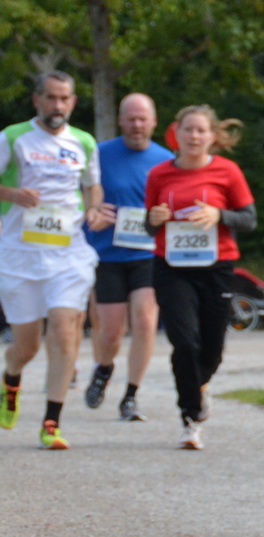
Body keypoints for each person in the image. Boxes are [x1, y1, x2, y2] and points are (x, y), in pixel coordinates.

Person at [0, 71, 111, 449]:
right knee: (26, 346)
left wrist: (95, 210)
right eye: (50, 98)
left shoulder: (83, 141)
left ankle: (51, 423)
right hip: (19, 255)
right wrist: (12, 194)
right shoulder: (13, 137)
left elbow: (93, 187)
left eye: (64, 99)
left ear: (73, 102)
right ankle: (11, 378)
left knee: (65, 333)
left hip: (68, 254)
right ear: (37, 100)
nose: (57, 106)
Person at [145, 105, 255, 450]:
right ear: (175, 133)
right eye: (188, 130)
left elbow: (249, 219)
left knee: (212, 349)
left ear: (212, 136)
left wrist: (218, 214)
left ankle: (198, 386)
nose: (194, 136)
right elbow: (148, 226)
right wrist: (155, 218)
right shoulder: (159, 174)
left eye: (201, 130)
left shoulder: (228, 171)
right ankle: (190, 417)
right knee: (184, 341)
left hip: (216, 268)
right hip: (171, 268)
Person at [84, 93, 174, 421]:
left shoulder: (166, 161)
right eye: (130, 119)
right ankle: (103, 368)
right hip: (107, 254)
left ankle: (131, 396)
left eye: (142, 119)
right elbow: (81, 197)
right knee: (109, 332)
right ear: (121, 121)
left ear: (153, 121)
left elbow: (174, 206)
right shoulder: (99, 155)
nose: (136, 125)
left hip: (148, 255)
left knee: (146, 321)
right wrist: (91, 212)